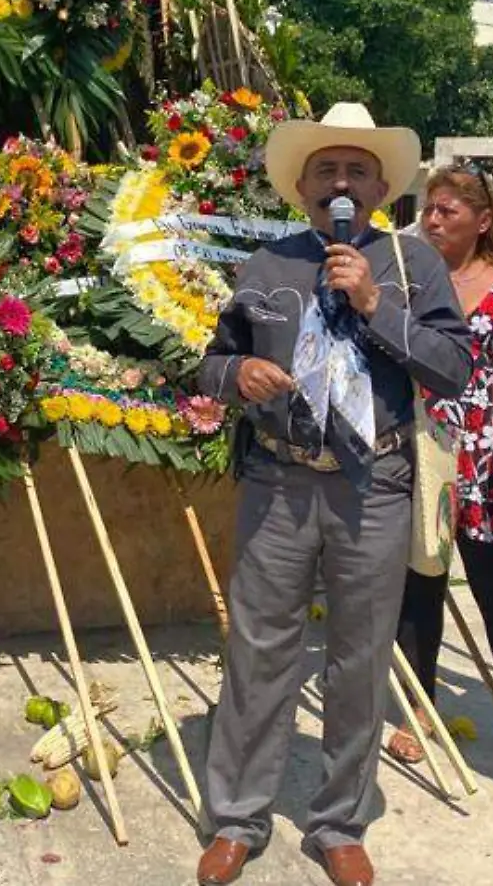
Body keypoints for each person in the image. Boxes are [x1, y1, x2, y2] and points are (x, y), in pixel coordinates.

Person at [193, 102, 475, 886]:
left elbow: (454, 370)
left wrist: (375, 306)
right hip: (278, 481)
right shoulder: (268, 264)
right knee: (259, 651)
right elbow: (211, 364)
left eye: (356, 171)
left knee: (359, 656)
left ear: (381, 186)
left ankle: (339, 823)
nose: (341, 183)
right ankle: (237, 819)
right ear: (302, 187)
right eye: (326, 171)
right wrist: (236, 376)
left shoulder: (413, 268)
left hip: (374, 485)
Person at [388, 166, 493, 779]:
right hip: (423, 448)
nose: (432, 220)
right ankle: (419, 707)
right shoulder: (405, 277)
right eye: (430, 209)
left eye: (447, 211)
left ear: (483, 221)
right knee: (421, 588)